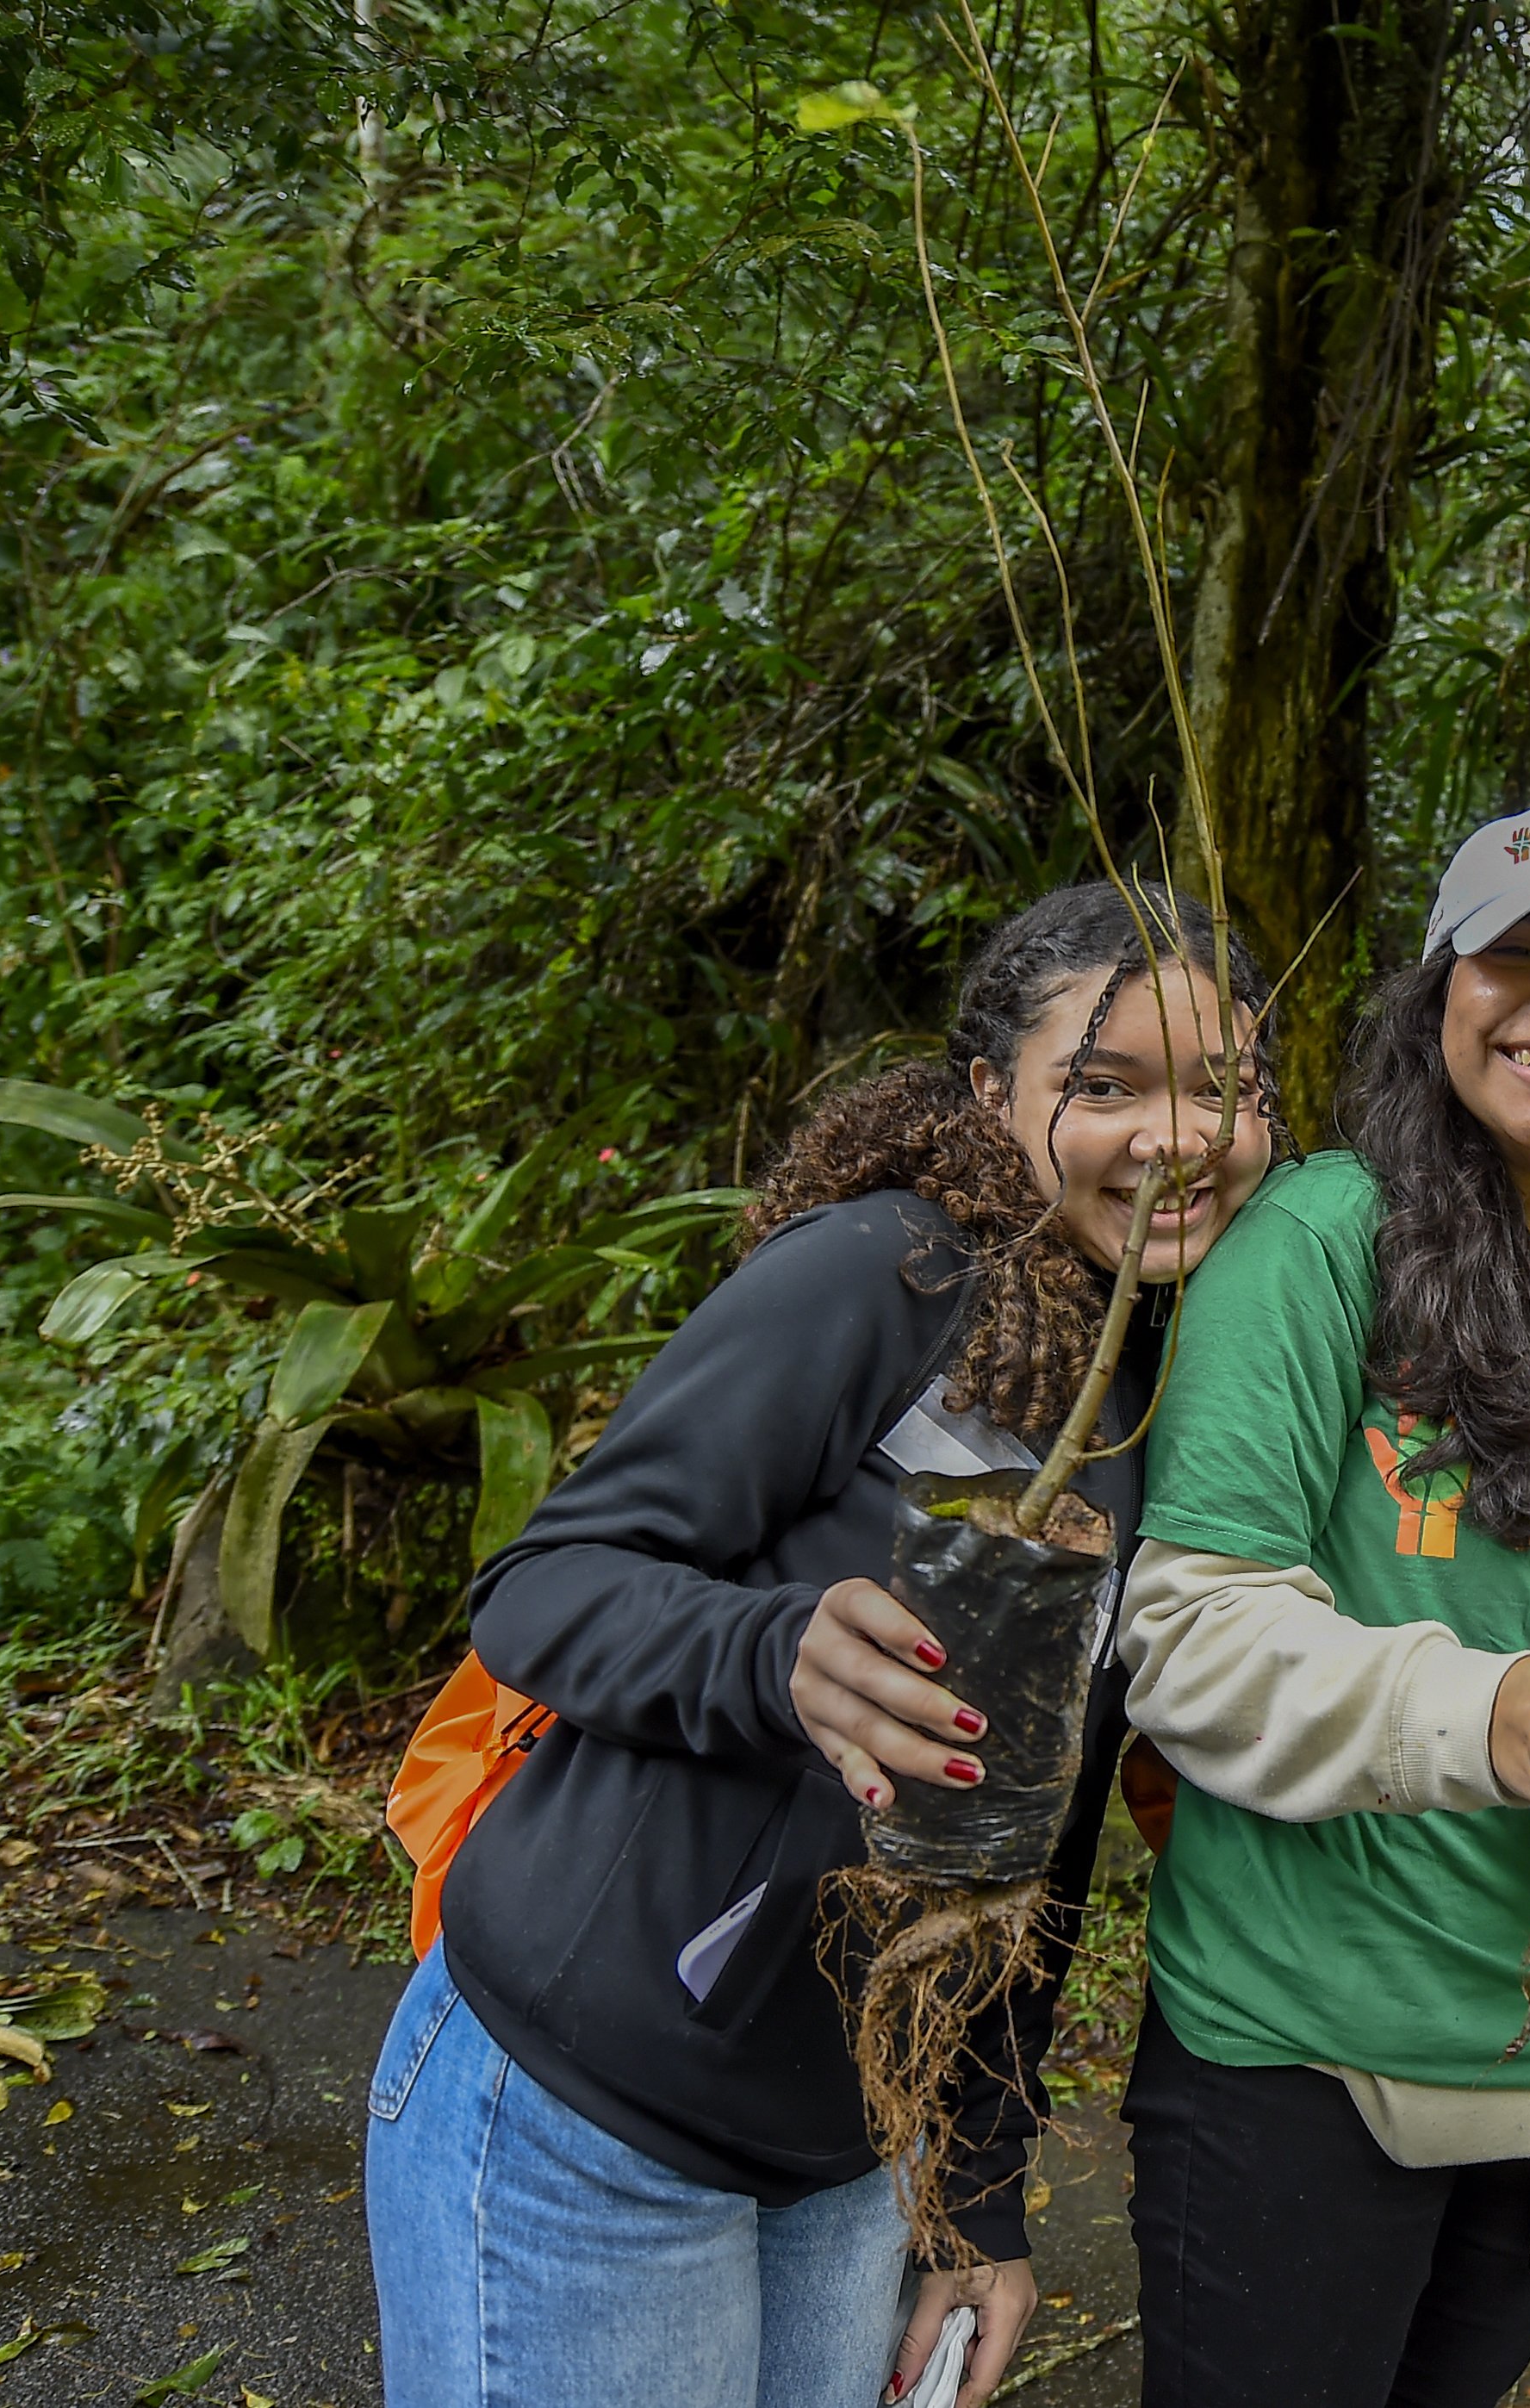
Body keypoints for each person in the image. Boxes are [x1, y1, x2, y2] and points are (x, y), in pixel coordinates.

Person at [363, 878, 1275, 2408]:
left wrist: (968, 2195)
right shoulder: (888, 1273)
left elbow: (1035, 1844)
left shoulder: (1172, 1383)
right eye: (1104, 1085)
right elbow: (543, 1582)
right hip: (594, 2105)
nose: (1174, 1138)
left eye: (1223, 1090)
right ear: (993, 1096)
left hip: (854, 2143)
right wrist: (775, 1651)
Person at [1107, 796, 1530, 2408]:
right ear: (1440, 999)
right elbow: (1192, 1628)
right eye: (1517, 956)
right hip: (1306, 2044)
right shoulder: (1322, 1240)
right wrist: (1479, 1711)